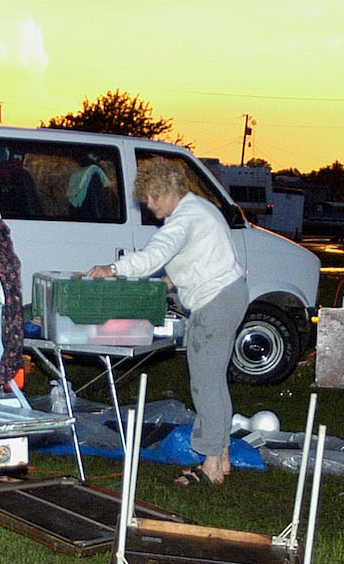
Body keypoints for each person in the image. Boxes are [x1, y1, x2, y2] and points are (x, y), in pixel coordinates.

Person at [86, 156, 246, 486]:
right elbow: (199, 256)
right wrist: (169, 283)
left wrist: (113, 269)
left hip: (214, 303)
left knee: (205, 384)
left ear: (162, 191)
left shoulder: (184, 219)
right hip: (228, 295)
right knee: (215, 380)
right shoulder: (199, 209)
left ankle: (212, 464)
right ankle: (223, 457)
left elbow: (156, 254)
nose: (147, 205)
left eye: (149, 198)